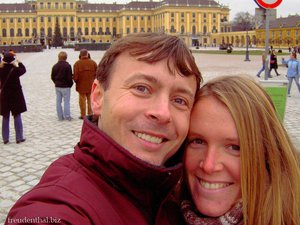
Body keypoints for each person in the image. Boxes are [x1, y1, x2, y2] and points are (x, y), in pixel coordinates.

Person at [5, 32, 202, 225]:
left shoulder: (186, 200)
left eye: (179, 100)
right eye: (141, 88)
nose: (163, 113)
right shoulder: (58, 207)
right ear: (98, 97)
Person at [162, 75, 300, 225]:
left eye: (234, 148)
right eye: (198, 141)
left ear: (267, 153)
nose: (209, 165)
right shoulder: (163, 209)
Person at [0, 52, 27, 144]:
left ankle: (5, 138)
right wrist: (18, 62)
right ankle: (19, 137)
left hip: (4, 96)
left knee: (5, 116)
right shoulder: (15, 69)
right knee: (17, 115)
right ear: (12, 60)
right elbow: (23, 70)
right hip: (16, 95)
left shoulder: (1, 69)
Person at [73, 49, 97, 119]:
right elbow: (97, 74)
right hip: (91, 85)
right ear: (87, 54)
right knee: (90, 100)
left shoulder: (77, 64)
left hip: (81, 86)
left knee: (82, 101)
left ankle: (83, 115)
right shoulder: (93, 63)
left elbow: (75, 77)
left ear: (80, 55)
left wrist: (76, 81)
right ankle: (90, 114)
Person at [51, 51, 73, 121]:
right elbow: (69, 77)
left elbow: (52, 76)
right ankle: (67, 116)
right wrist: (70, 84)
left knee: (58, 101)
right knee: (66, 101)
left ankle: (60, 117)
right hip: (66, 86)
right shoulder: (68, 66)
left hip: (58, 86)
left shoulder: (55, 66)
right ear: (66, 58)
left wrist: (56, 82)